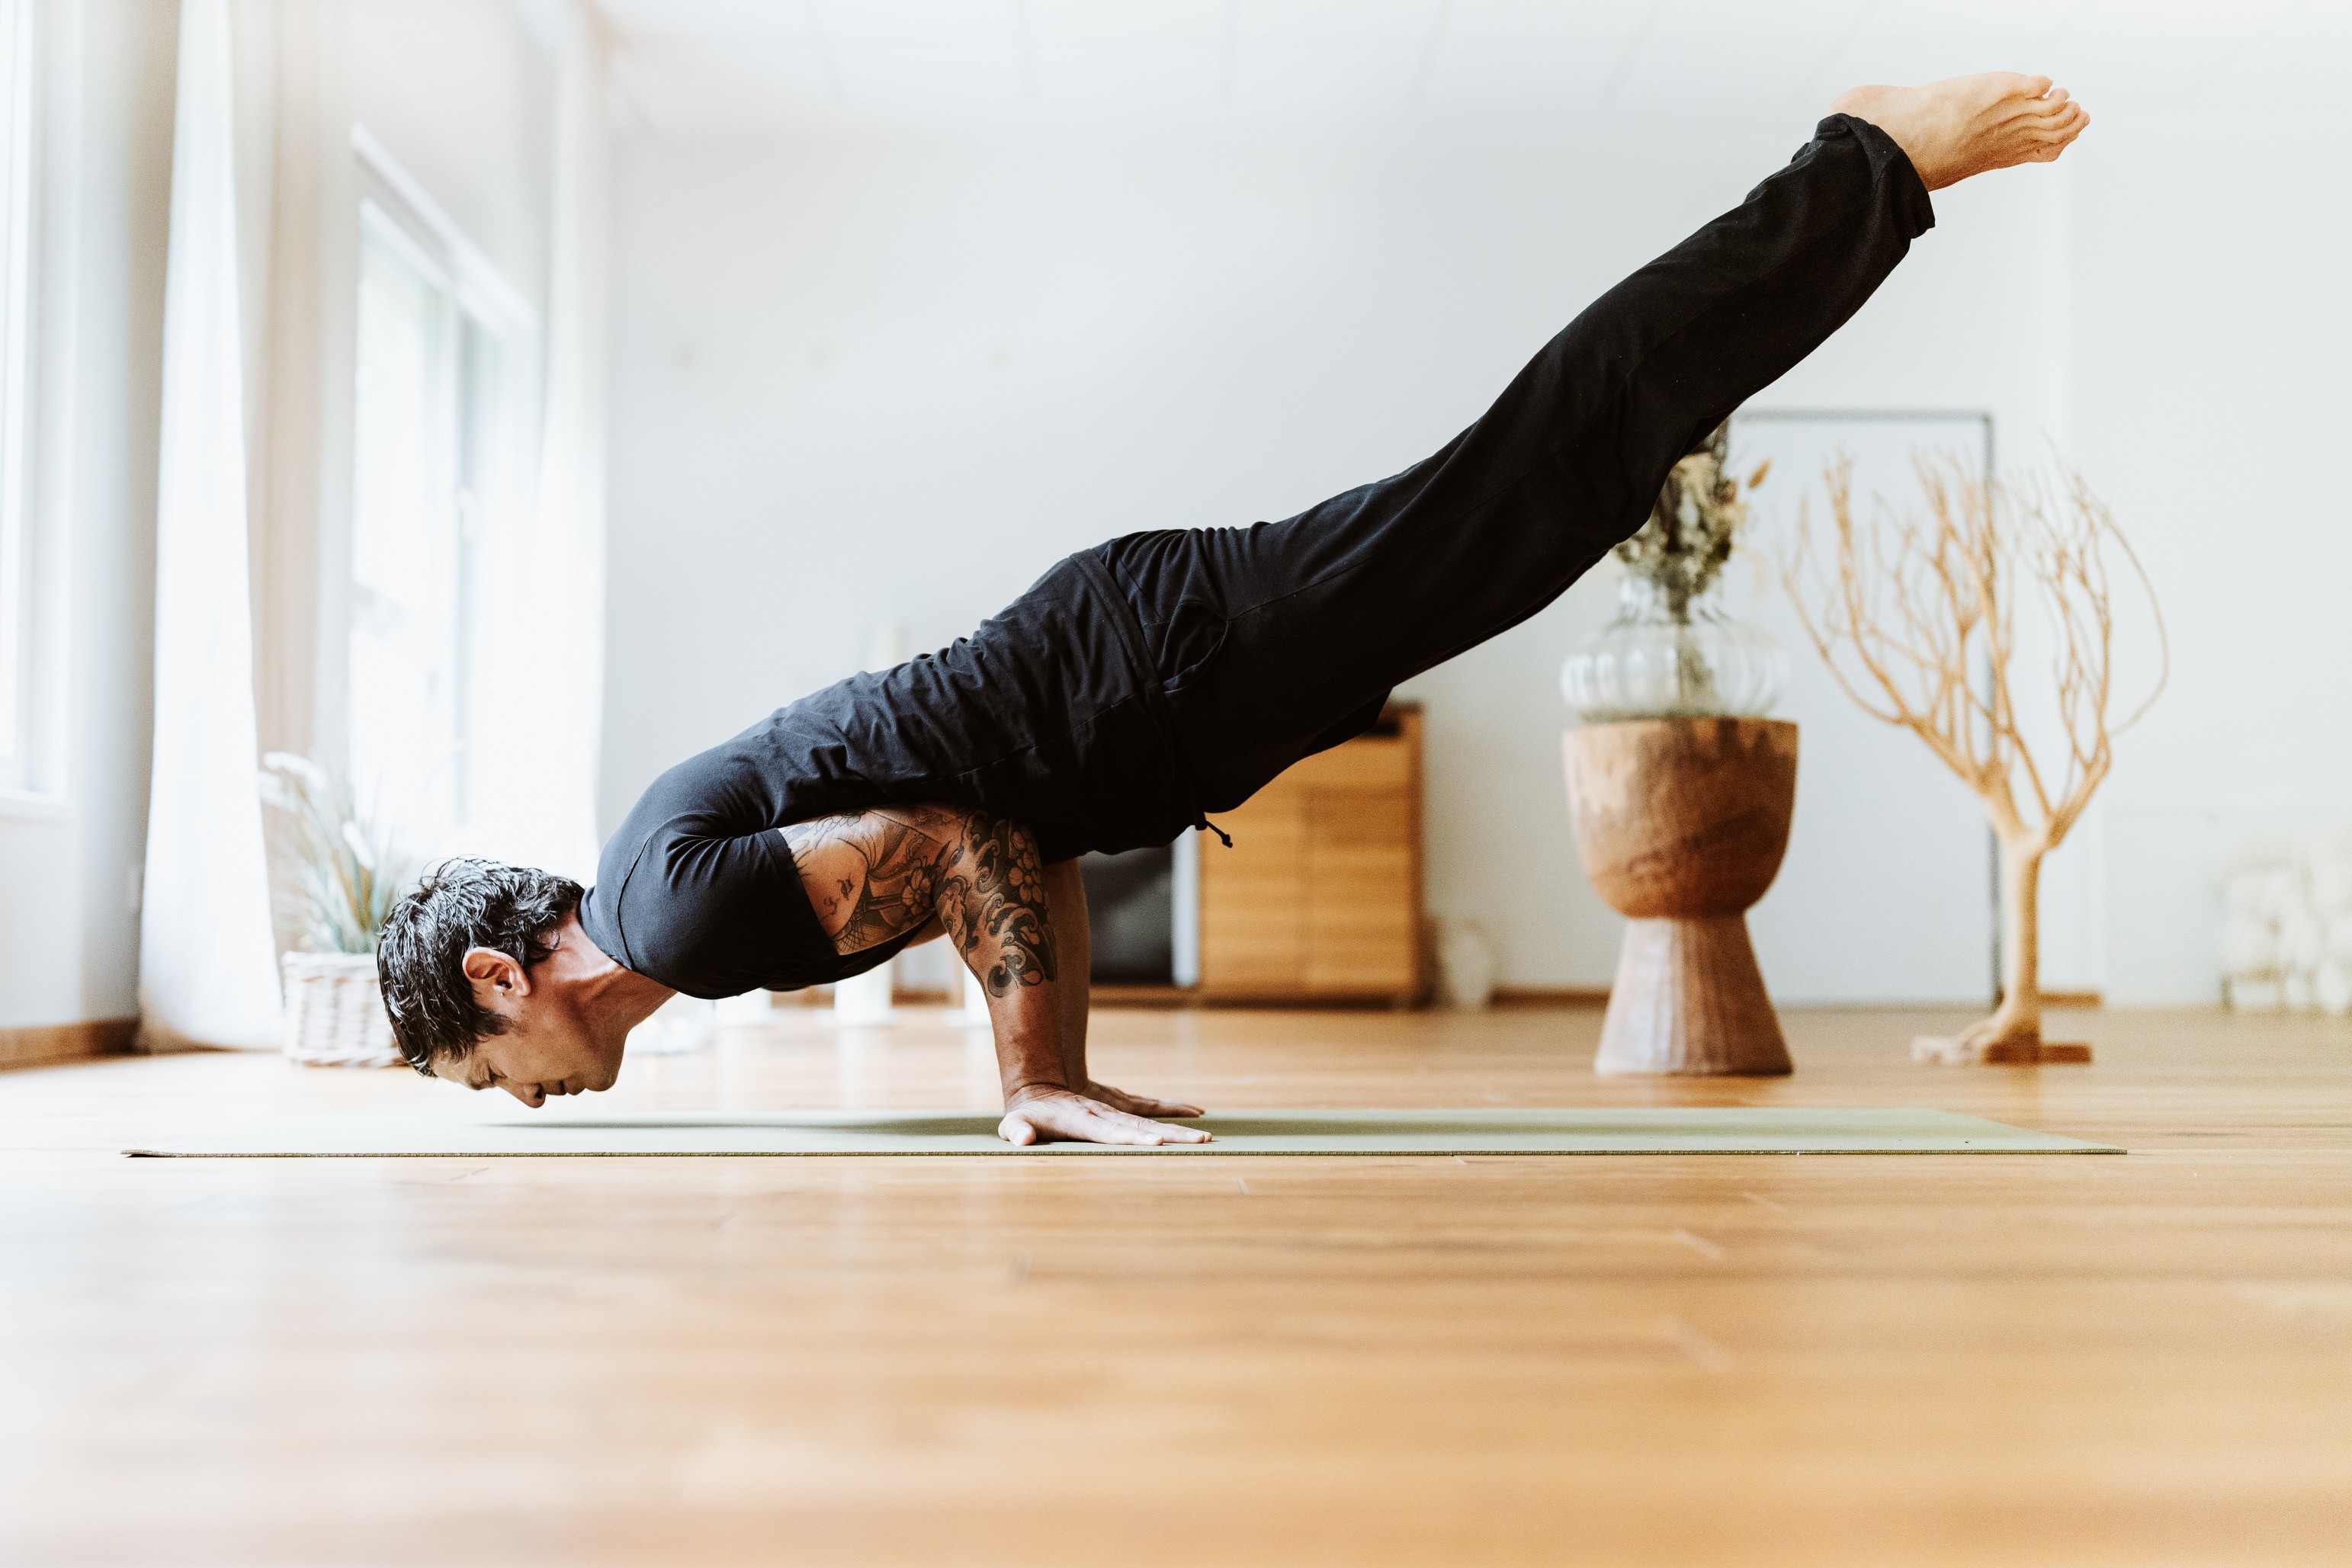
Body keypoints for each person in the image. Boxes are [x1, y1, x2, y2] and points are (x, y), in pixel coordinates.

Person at [376, 73, 2088, 1147]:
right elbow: (1005, 837)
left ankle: (1867, 166)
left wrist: (1027, 1079)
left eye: (484, 1081)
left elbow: (967, 841)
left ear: (500, 980)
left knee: (1555, 471)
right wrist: (1059, 1077)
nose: (512, 1111)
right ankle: (1860, 177)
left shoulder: (672, 923)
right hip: (1140, 677)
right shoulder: (671, 895)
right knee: (1557, 490)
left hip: (1153, 666)